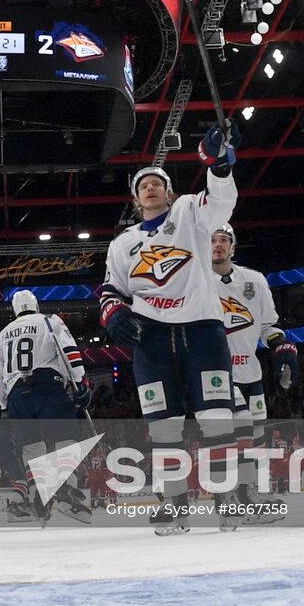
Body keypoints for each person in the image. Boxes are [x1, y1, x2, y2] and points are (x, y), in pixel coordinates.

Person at [98, 124, 240, 535]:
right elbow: (112, 289)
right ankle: (175, 504)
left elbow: (222, 202)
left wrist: (217, 165)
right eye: (143, 184)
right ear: (134, 197)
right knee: (163, 426)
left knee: (216, 418)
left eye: (158, 182)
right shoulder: (122, 243)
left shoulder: (189, 214)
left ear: (169, 191)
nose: (150, 187)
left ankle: (226, 497)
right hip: (151, 337)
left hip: (201, 329)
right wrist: (112, 314)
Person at [210, 223, 292, 523]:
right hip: (215, 371)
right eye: (212, 240)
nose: (218, 245)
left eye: (224, 240)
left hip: (251, 370)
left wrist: (282, 349)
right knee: (237, 429)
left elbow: (270, 326)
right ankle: (239, 495)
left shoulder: (255, 281)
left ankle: (239, 495)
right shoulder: (197, 281)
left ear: (233, 248)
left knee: (254, 435)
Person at [0, 289, 92, 522]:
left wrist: (1, 406)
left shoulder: (2, 335)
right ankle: (66, 491)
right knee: (66, 437)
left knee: (31, 448)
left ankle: (38, 499)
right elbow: (69, 352)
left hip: (17, 395)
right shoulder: (49, 321)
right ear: (35, 305)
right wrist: (79, 382)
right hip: (47, 386)